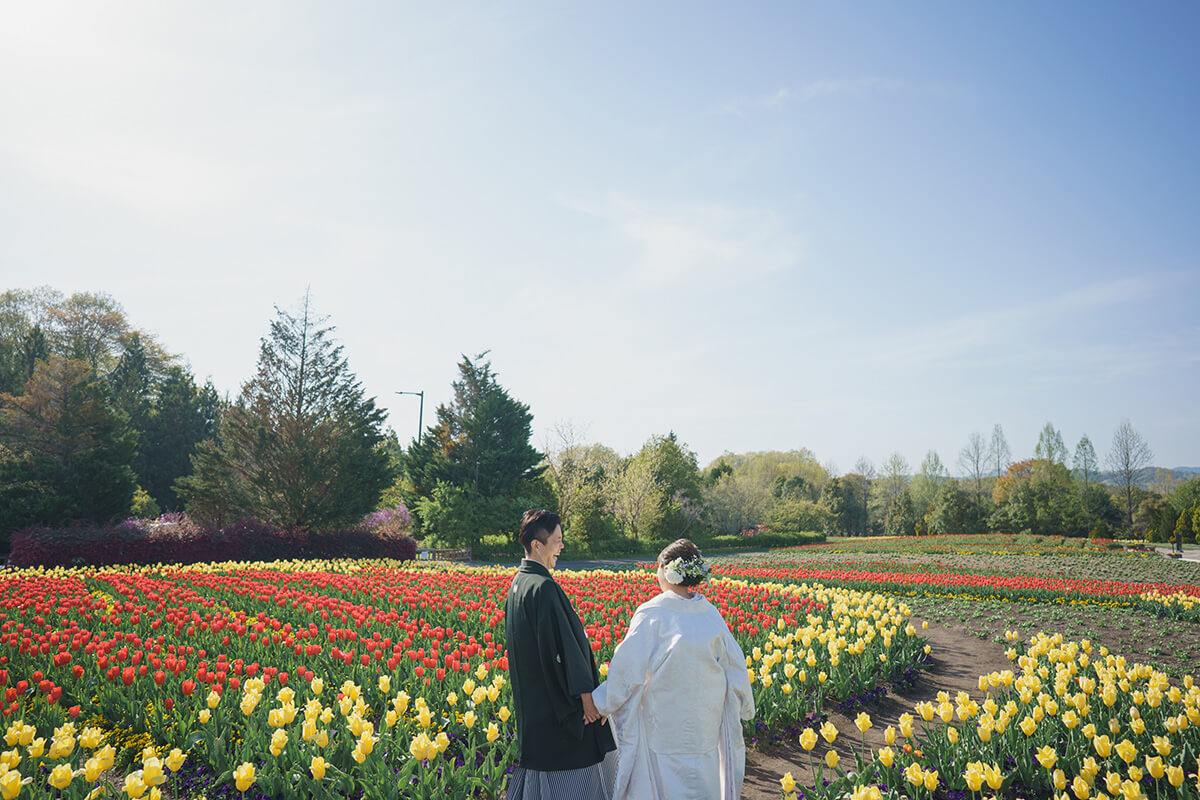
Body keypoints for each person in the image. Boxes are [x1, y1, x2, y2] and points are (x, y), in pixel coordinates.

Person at [590, 538, 754, 800]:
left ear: (665, 569)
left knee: (668, 786)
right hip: (704, 725)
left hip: (665, 724)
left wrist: (599, 703)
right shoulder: (710, 614)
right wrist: (746, 705)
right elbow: (735, 666)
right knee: (703, 783)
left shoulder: (653, 613)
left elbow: (627, 671)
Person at [504, 509, 617, 800]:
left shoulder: (518, 584)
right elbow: (564, 648)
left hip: (535, 702)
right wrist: (586, 699)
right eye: (557, 540)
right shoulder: (543, 588)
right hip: (556, 708)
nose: (562, 547)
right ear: (537, 545)